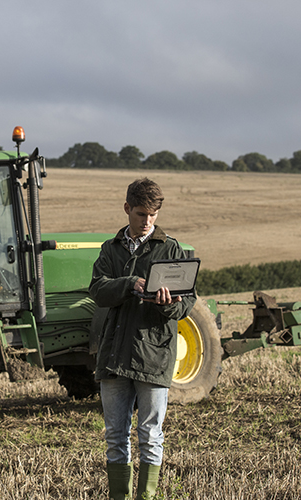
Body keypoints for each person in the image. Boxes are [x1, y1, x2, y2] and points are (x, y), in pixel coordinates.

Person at [89, 178, 196, 500]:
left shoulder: (172, 249)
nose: (147, 221)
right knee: (116, 436)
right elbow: (97, 291)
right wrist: (128, 284)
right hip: (113, 357)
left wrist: (170, 304)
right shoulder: (111, 249)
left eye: (152, 214)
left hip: (154, 354)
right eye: (140, 214)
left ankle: (146, 497)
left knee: (150, 435)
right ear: (127, 209)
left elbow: (187, 301)